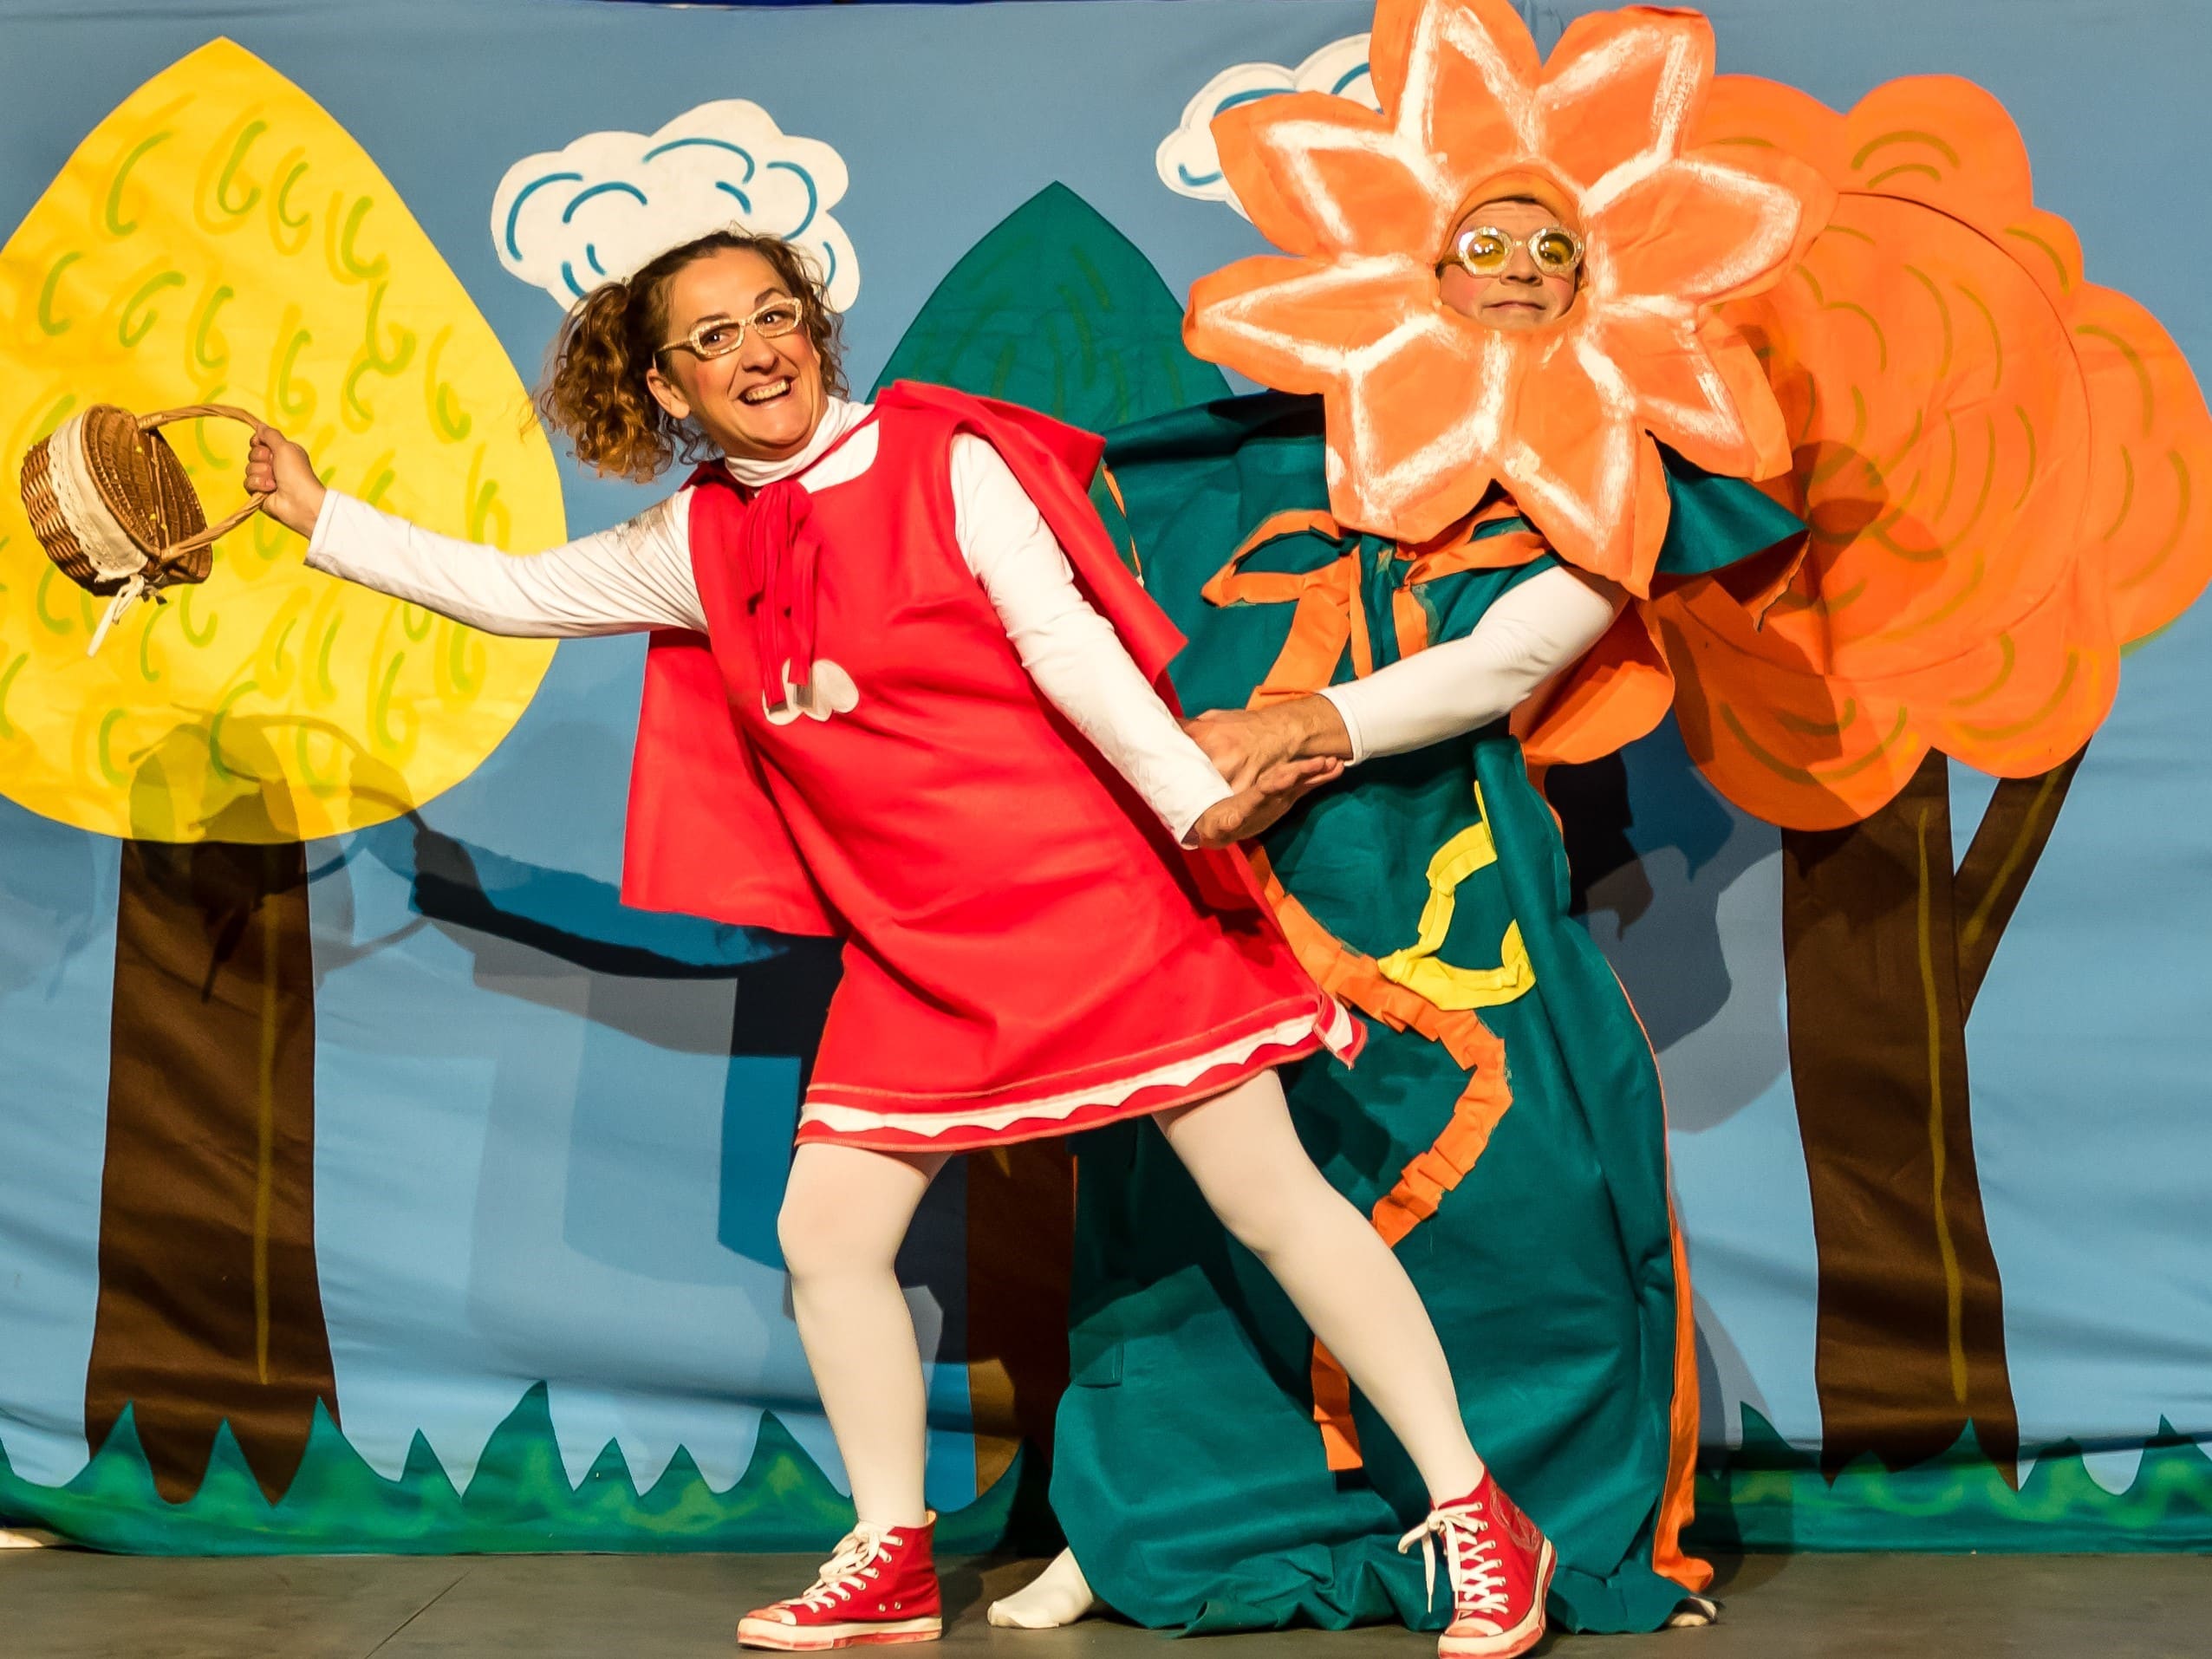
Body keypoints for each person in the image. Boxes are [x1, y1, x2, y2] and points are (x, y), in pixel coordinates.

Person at [246, 227, 1558, 1656]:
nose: (759, 351)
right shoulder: (695, 540)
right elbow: (513, 592)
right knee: (826, 1235)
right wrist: (319, 514)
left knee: (1274, 1202)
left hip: (1093, 907)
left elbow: (1069, 648)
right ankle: (890, 1557)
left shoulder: (945, 461)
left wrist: (1193, 806)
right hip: (915, 956)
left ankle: (1479, 1511)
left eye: (775, 314)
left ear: (813, 325)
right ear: (669, 387)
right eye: (713, 338)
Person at [987, 140, 1809, 1646]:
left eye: (1553, 252)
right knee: (1188, 1212)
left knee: (1529, 1190)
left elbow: (1504, 660)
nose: (1520, 270)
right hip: (1239, 867)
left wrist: (1308, 724)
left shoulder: (1609, 473)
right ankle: (1147, 1520)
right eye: (1485, 243)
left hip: (1447, 867)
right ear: (1418, 274)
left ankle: (1530, 1521)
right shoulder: (1272, 462)